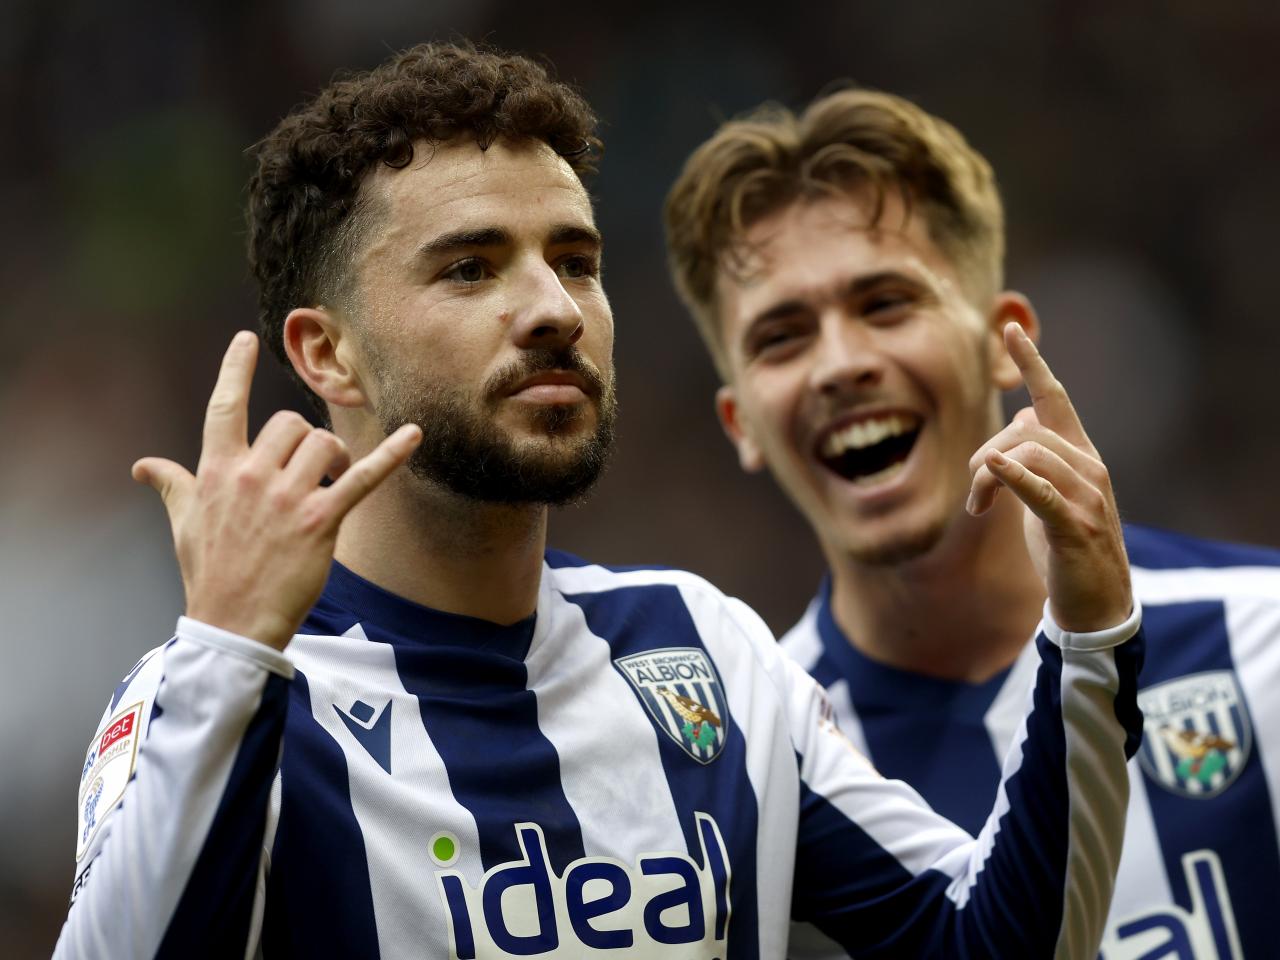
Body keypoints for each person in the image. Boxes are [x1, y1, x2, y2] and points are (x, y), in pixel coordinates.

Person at [56, 44, 1142, 959]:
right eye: (471, 269)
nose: (552, 309)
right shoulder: (219, 695)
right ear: (327, 353)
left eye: (573, 261)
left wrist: (1087, 633)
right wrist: (228, 652)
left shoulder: (704, 653)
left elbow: (998, 941)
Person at [664, 87, 1279, 960]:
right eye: (782, 337)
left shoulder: (1263, 637)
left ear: (1005, 341)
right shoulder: (752, 765)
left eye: (884, 304)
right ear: (741, 426)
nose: (841, 364)